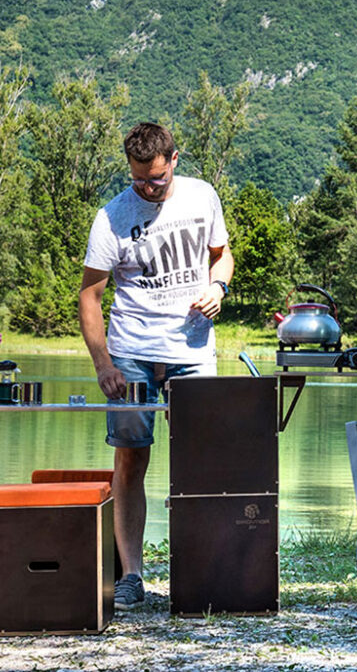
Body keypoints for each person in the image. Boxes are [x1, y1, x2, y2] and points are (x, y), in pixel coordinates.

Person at [78, 122, 233, 610]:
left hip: (192, 352)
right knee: (131, 458)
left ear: (174, 161)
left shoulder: (202, 197)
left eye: (157, 179)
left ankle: (202, 572)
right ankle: (131, 576)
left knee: (202, 460)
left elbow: (222, 256)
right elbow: (90, 296)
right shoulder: (112, 217)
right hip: (132, 352)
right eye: (139, 180)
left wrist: (218, 287)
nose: (148, 188)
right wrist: (103, 364)